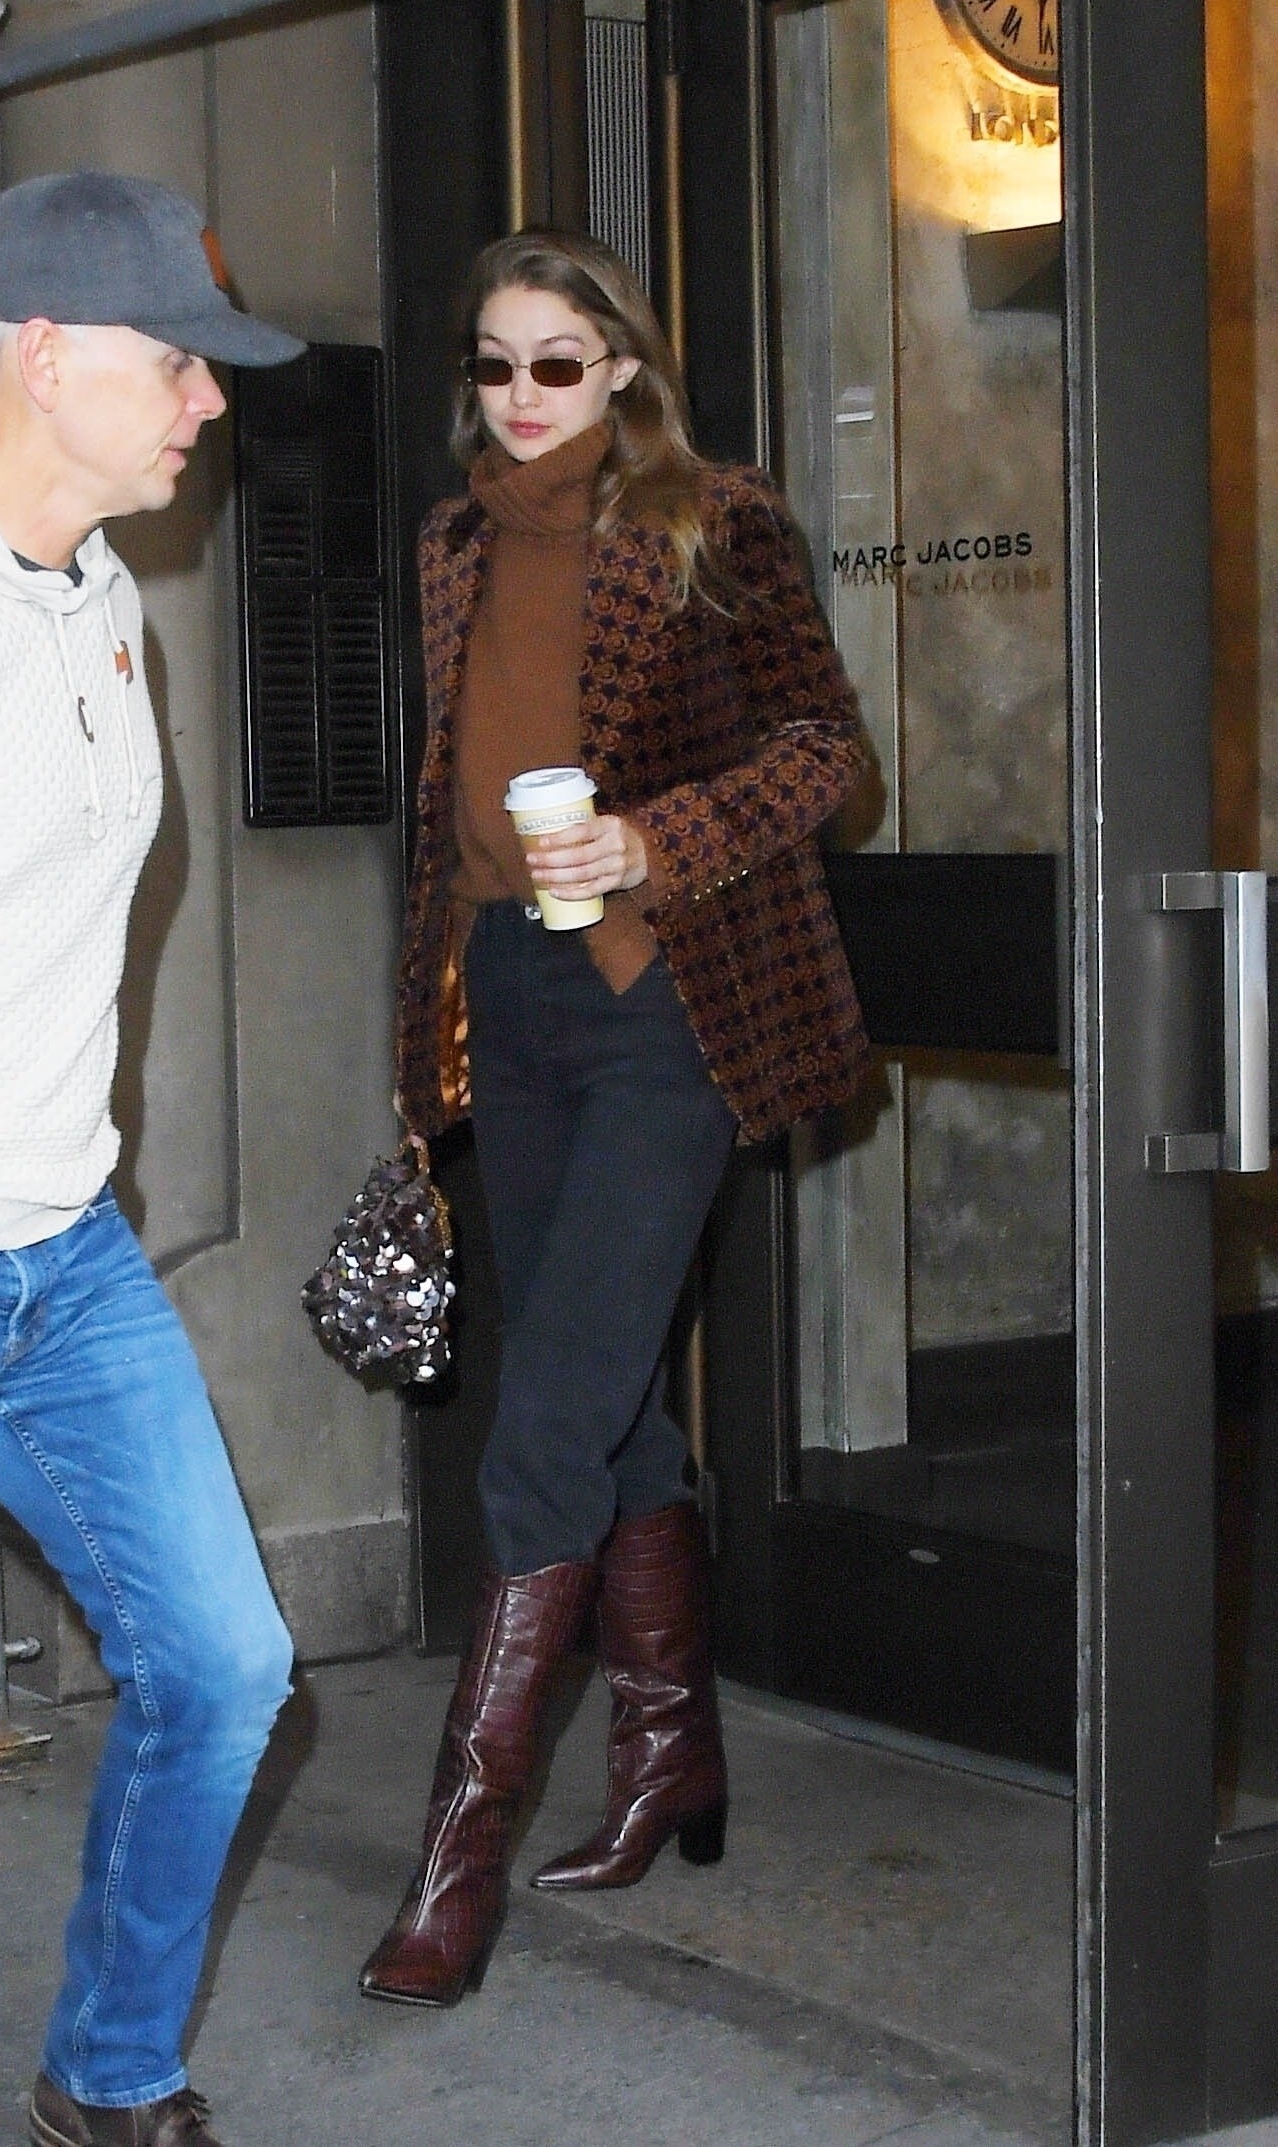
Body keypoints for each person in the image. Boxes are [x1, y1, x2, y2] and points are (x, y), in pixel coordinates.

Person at [0, 172, 305, 2147]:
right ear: (40, 356)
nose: (208, 400)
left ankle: (108, 2079)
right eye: (176, 360)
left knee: (226, 1666)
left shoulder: (101, 598)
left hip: (64, 1253)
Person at [360, 229, 870, 2010]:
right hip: (509, 993)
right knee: (612, 1400)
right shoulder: (452, 543)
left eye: (557, 364)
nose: (521, 397)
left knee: (544, 1426)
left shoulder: (713, 524)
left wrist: (656, 838)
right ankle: (670, 1757)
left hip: (667, 1004)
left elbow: (825, 751)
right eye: (493, 364)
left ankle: (455, 1866)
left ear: (625, 369)